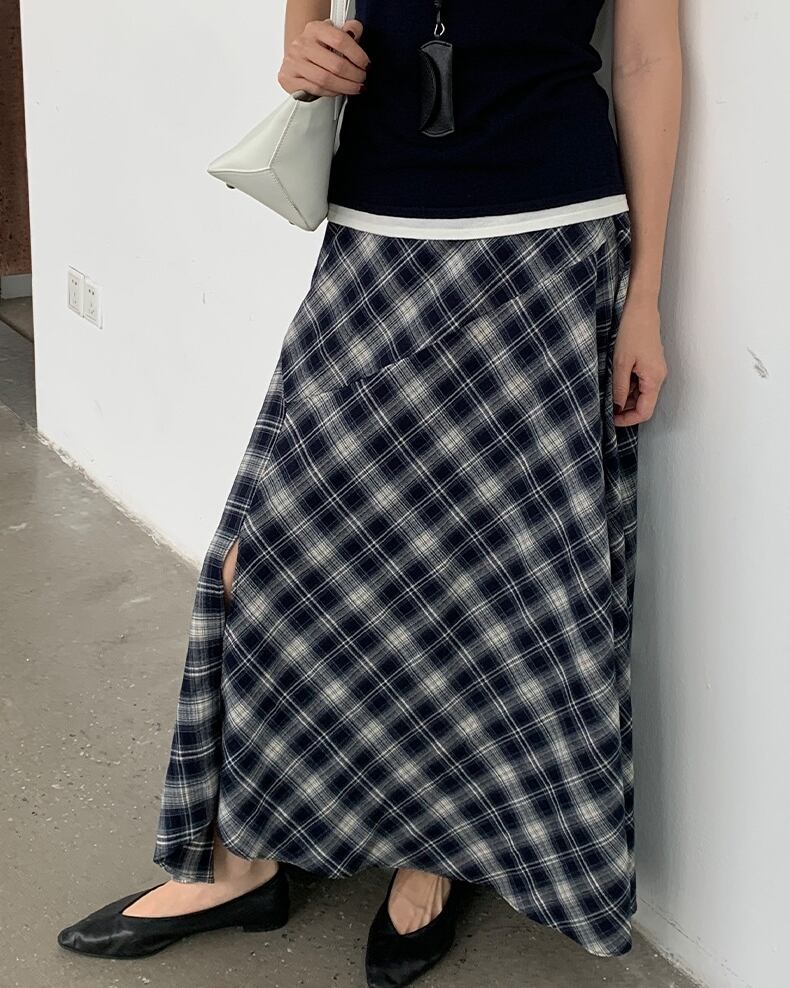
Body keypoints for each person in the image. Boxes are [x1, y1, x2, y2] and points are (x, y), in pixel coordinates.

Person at [57, 1, 680, 985]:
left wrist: (644, 296)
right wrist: (302, 55)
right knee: (264, 555)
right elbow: (305, 35)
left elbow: (645, 62)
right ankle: (242, 862)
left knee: (484, 577)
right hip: (373, 238)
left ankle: (432, 853)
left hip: (547, 249)